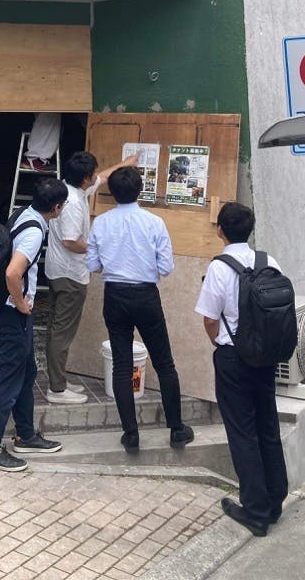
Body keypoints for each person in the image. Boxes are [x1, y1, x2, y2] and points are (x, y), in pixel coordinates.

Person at [194, 201, 288, 538]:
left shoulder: (219, 268)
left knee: (242, 432)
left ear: (220, 230)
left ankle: (255, 511)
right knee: (267, 426)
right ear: (251, 229)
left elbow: (209, 318)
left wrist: (218, 342)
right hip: (266, 356)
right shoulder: (269, 262)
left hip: (233, 357)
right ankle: (275, 500)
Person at [86, 166, 194, 453]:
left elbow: (93, 264)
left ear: (112, 192)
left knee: (121, 365)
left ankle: (131, 433)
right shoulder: (154, 222)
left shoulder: (100, 223)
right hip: (146, 295)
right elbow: (166, 267)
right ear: (140, 190)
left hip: (115, 295)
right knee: (164, 363)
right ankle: (176, 429)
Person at [0, 177, 69, 472]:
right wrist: (20, 303)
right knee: (9, 378)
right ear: (57, 208)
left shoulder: (24, 213)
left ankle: (25, 435)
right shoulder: (34, 232)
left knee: (27, 371)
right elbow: (12, 273)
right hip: (12, 312)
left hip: (13, 311)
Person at [45, 149, 138, 405]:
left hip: (59, 270)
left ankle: (58, 379)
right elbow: (70, 242)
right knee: (62, 332)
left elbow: (103, 177)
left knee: (57, 328)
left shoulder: (71, 189)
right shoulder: (74, 204)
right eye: (93, 173)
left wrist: (125, 163)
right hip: (69, 275)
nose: (97, 175)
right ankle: (56, 389)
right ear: (85, 178)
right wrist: (99, 249)